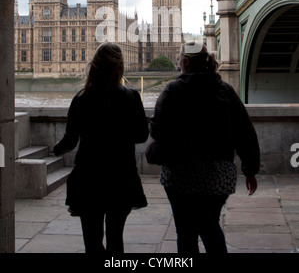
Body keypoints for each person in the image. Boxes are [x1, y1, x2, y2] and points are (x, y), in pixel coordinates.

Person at [146, 41, 260, 254]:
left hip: (181, 174)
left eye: (179, 60)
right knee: (210, 227)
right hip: (218, 175)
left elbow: (157, 132)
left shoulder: (173, 89)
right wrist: (250, 169)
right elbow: (245, 132)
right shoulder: (224, 89)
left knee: (186, 232)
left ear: (186, 62)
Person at [54, 42, 149, 253]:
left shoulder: (81, 99)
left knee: (92, 241)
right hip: (121, 175)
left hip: (89, 176)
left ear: (93, 66)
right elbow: (142, 136)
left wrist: (55, 150)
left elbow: (70, 141)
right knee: (116, 239)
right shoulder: (132, 96)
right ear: (120, 68)